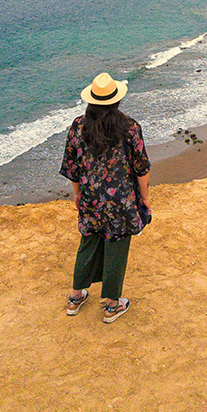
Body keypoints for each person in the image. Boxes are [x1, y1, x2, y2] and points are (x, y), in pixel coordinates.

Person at [60, 72, 151, 323]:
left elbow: (72, 166)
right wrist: (144, 198)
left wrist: (77, 194)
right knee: (117, 247)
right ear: (117, 101)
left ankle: (75, 297)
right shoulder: (130, 128)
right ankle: (112, 306)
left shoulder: (78, 126)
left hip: (91, 197)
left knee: (88, 243)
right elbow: (141, 168)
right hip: (122, 201)